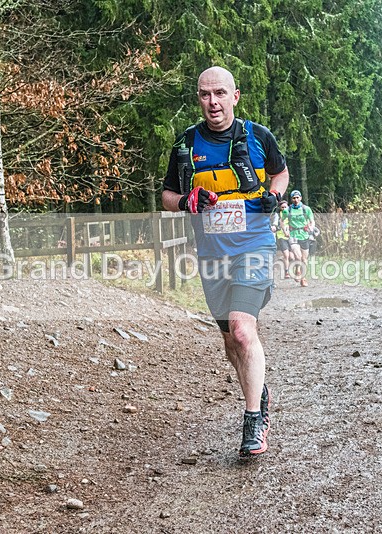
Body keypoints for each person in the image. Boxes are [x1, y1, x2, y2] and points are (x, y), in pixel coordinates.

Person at [162, 66, 289, 458]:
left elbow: (281, 175)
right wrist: (187, 201)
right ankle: (259, 392)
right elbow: (167, 196)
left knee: (242, 329)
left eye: (220, 93)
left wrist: (274, 196)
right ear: (199, 98)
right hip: (212, 254)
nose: (212, 102)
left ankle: (254, 421)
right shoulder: (185, 144)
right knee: (230, 342)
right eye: (205, 94)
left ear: (235, 96)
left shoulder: (258, 136)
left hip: (254, 246)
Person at [286, 190, 315, 287]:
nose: (296, 200)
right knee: (298, 257)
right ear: (291, 199)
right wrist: (285, 230)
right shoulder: (288, 210)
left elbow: (312, 220)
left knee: (304, 259)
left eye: (297, 197)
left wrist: (311, 227)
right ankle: (298, 271)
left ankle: (303, 277)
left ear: (301, 198)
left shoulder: (306, 209)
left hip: (304, 235)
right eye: (294, 198)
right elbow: (282, 221)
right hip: (293, 235)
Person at [271, 199, 292, 278]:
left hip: (292, 236)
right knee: (286, 255)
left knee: (292, 256)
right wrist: (275, 227)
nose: (284, 209)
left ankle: (285, 263)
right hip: (281, 236)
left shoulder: (291, 214)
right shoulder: (277, 215)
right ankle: (287, 272)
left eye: (285, 207)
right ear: (280, 208)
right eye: (282, 207)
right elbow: (275, 224)